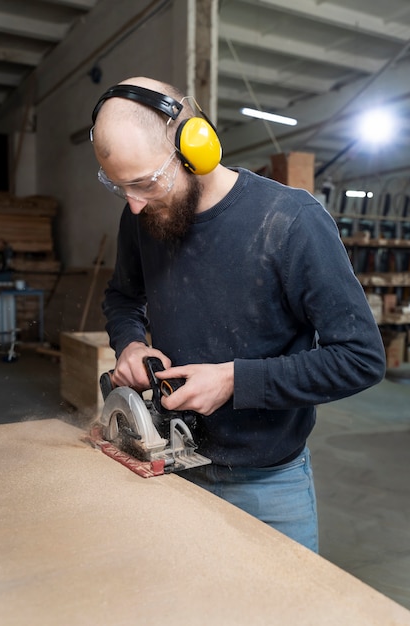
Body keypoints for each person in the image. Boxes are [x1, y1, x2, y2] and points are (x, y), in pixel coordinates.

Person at [90, 76, 386, 552]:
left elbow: (360, 358)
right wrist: (130, 342)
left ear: (195, 148)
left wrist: (233, 381)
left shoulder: (291, 221)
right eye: (121, 187)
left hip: (267, 485)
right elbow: (124, 296)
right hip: (167, 468)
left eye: (145, 182)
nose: (135, 203)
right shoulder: (141, 215)